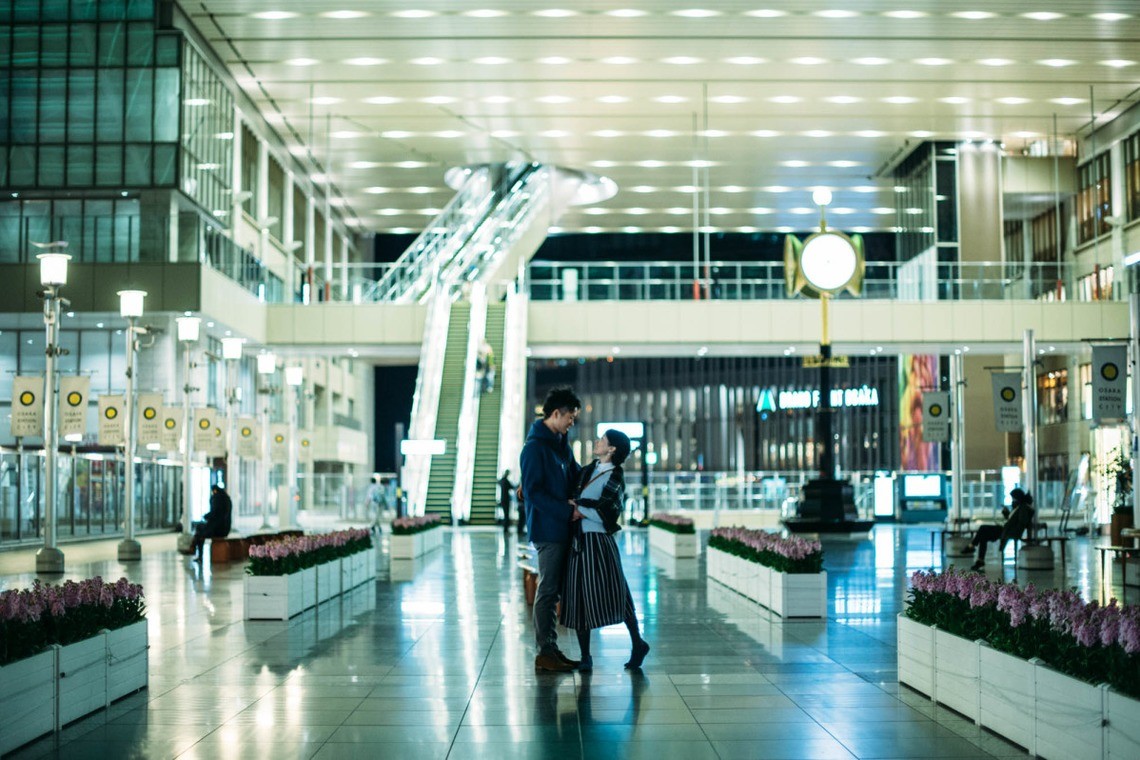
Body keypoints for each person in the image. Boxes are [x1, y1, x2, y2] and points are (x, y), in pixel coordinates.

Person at [561, 429, 649, 672]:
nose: (597, 442)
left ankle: (637, 643)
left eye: (603, 440)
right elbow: (576, 496)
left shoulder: (615, 476)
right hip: (580, 541)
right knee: (579, 595)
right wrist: (580, 506)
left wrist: (580, 509)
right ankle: (586, 656)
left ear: (612, 449)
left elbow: (609, 510)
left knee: (617, 592)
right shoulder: (589, 470)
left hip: (599, 542)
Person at [521, 386, 582, 673]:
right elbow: (532, 492)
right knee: (547, 590)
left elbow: (576, 474)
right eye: (570, 417)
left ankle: (552, 648)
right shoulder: (534, 448)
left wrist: (606, 467)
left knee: (554, 590)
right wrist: (566, 509)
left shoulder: (561, 445)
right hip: (548, 529)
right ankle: (545, 651)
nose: (572, 422)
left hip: (561, 527)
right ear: (556, 413)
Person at [969, 488, 1035, 571]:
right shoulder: (1018, 507)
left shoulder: (1022, 508)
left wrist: (1009, 525)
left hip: (1007, 531)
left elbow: (1021, 523)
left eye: (1013, 498)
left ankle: (972, 546)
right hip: (1005, 529)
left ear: (1017, 498)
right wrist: (1007, 513)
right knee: (983, 535)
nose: (1012, 500)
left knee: (983, 528)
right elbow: (1012, 520)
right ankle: (979, 560)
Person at [191, 485, 233, 562]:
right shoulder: (227, 498)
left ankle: (197, 553)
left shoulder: (217, 498)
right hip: (226, 529)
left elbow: (214, 513)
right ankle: (194, 548)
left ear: (214, 491)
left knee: (199, 530)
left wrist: (205, 516)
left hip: (218, 530)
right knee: (200, 532)